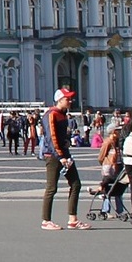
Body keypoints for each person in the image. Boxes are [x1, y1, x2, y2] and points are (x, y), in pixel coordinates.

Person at [38, 87, 89, 231]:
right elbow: (51, 137)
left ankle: (73, 219)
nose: (70, 101)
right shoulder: (51, 114)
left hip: (64, 153)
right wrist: (60, 156)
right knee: (51, 188)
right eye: (67, 99)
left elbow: (60, 136)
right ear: (59, 100)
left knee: (76, 184)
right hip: (54, 156)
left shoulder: (63, 114)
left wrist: (66, 141)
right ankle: (46, 220)